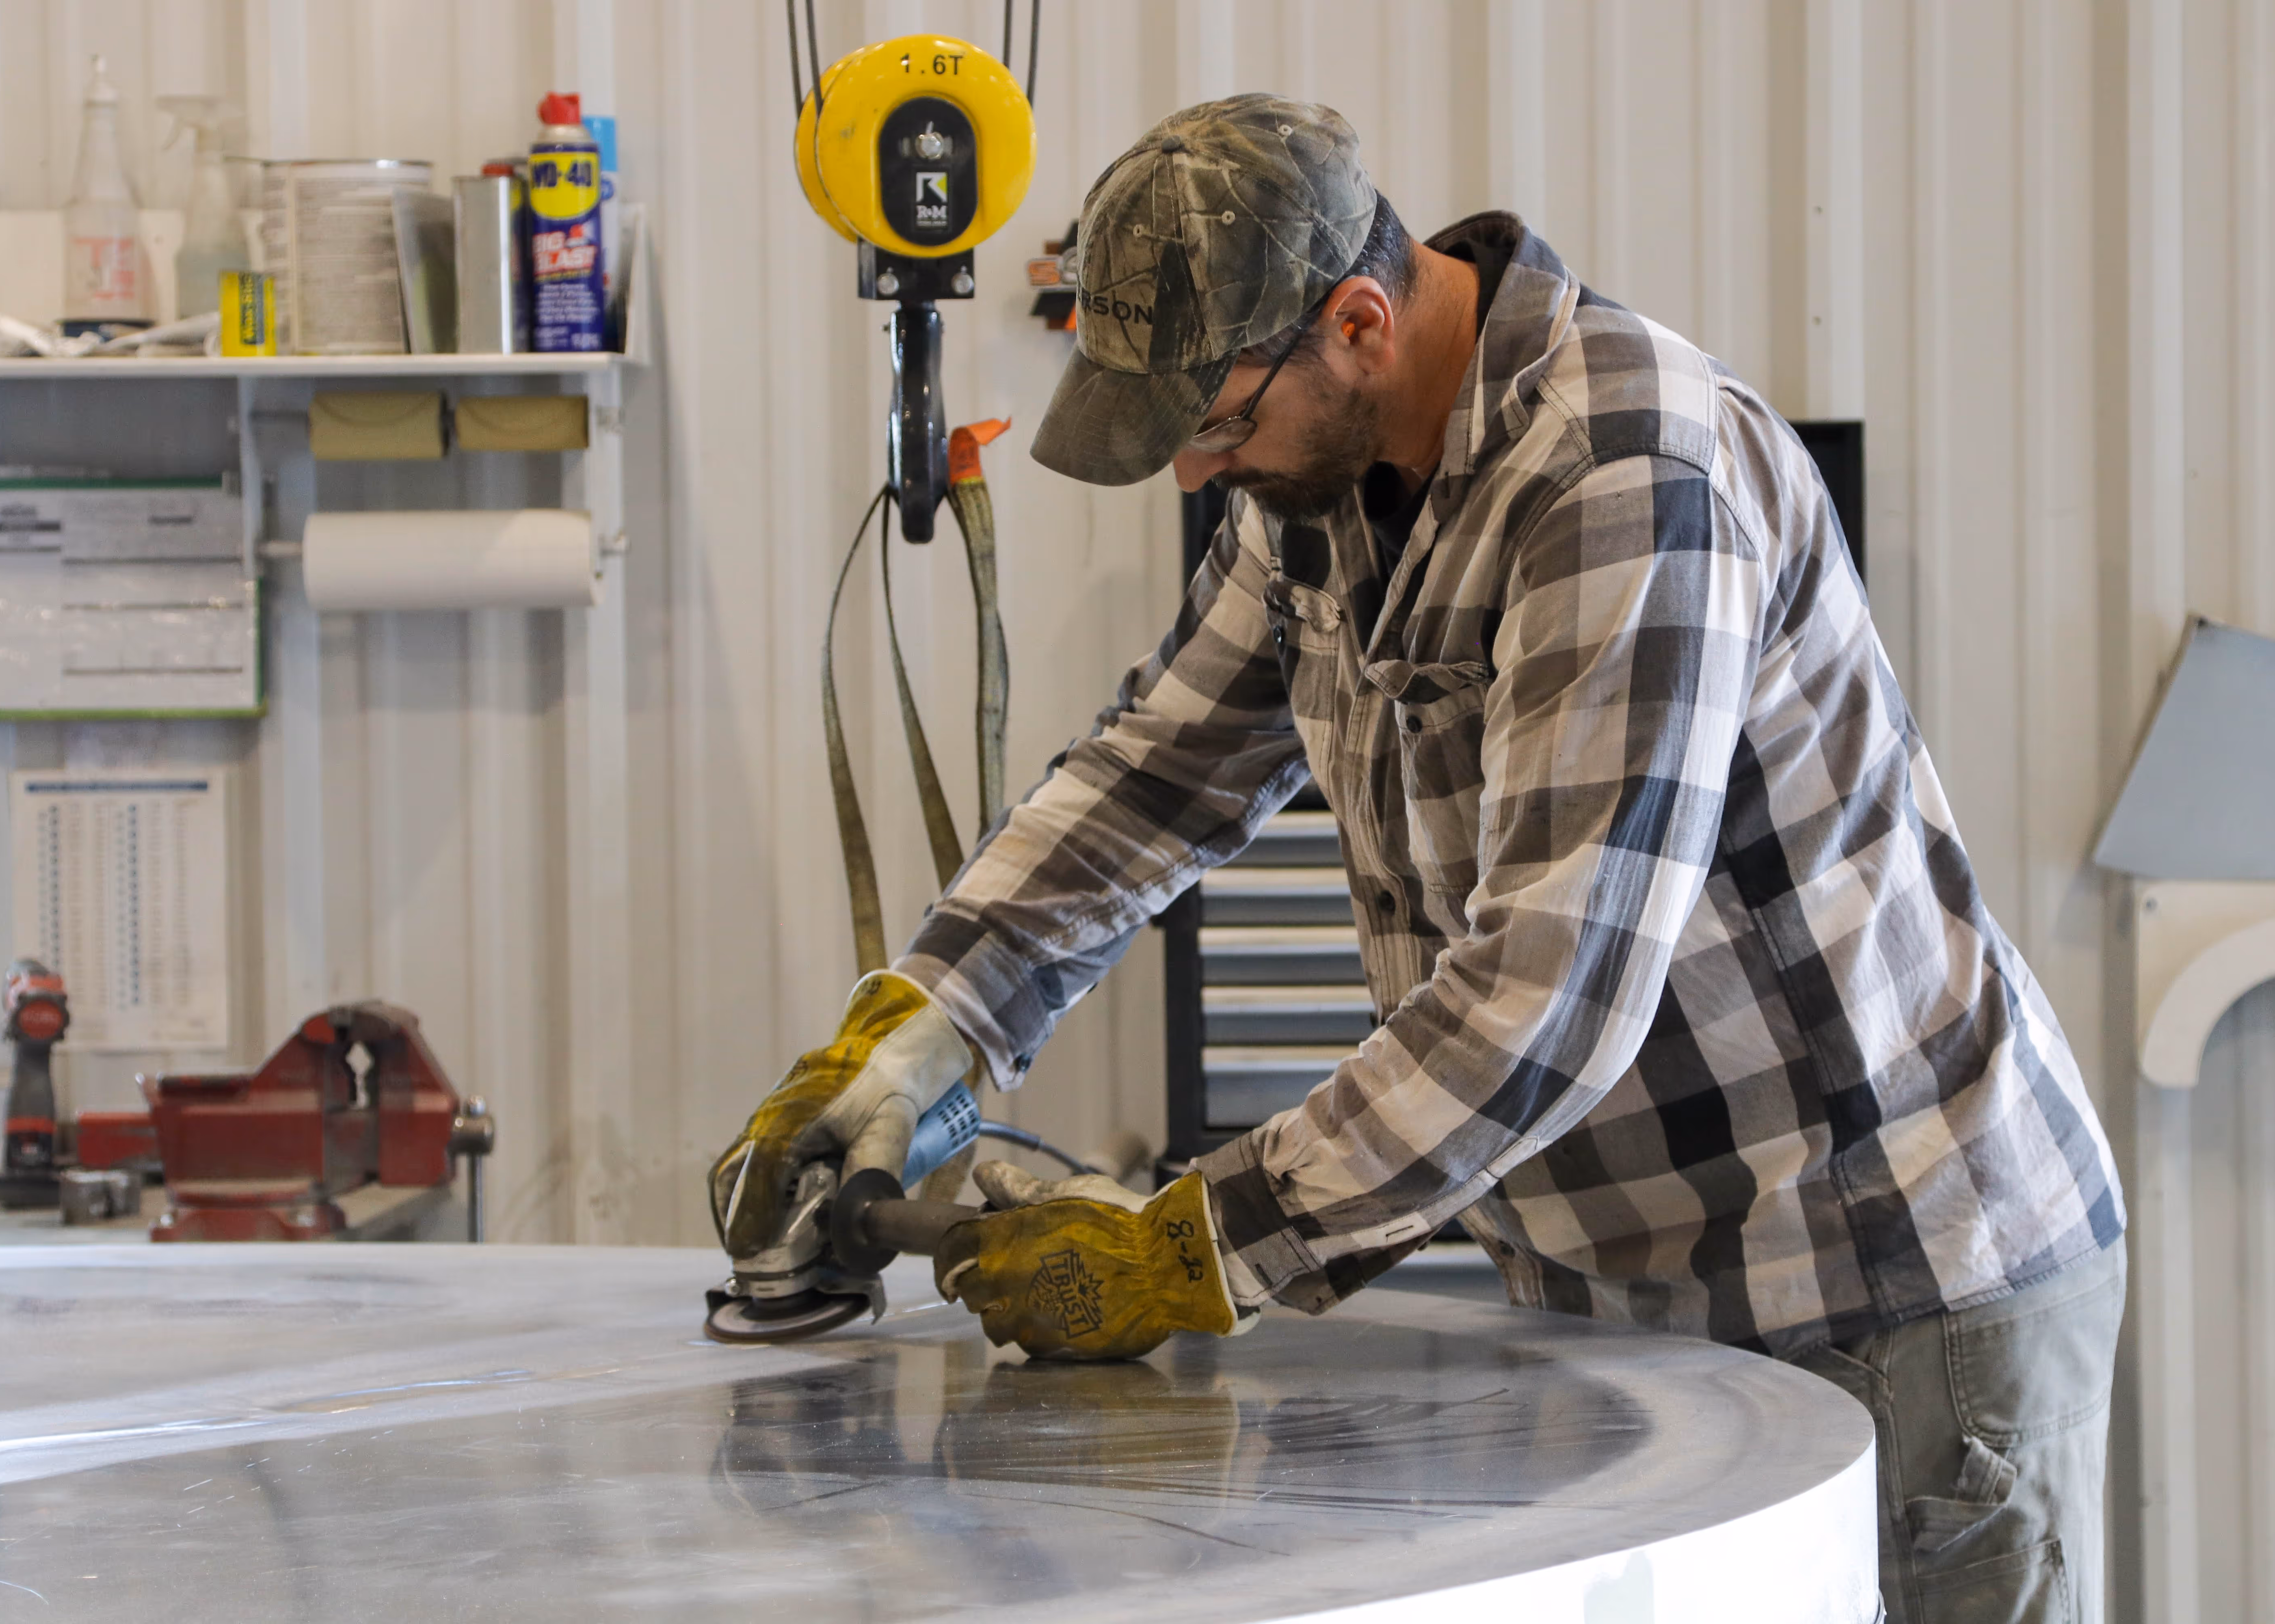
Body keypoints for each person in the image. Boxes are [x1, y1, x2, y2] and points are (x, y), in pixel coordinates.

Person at [711, 95, 2125, 1623]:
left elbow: (1552, 992)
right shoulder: (1320, 482)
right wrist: (917, 1034)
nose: (1199, 476)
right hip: (1629, 1292)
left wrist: (1194, 1250)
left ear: (1361, 324)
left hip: (1885, 1288)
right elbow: (1151, 776)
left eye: (1219, 424)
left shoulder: (1623, 474)